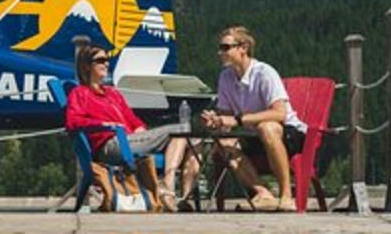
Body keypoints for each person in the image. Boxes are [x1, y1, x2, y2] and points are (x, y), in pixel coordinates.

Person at [65, 44, 200, 212]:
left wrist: (140, 129)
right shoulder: (80, 93)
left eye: (107, 60)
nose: (106, 64)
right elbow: (73, 122)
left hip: (130, 140)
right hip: (111, 144)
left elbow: (133, 120)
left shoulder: (113, 94)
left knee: (193, 141)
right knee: (181, 130)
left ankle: (181, 198)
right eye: (100, 60)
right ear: (86, 65)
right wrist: (102, 125)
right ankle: (167, 188)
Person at [200, 26, 306, 212]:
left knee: (267, 127)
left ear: (244, 48)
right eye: (220, 47)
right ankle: (263, 193)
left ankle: (286, 195)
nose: (220, 52)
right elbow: (226, 116)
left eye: (226, 47)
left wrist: (238, 120)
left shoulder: (264, 73)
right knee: (223, 145)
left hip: (287, 133)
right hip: (253, 135)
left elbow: (279, 113)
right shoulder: (225, 77)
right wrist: (216, 120)